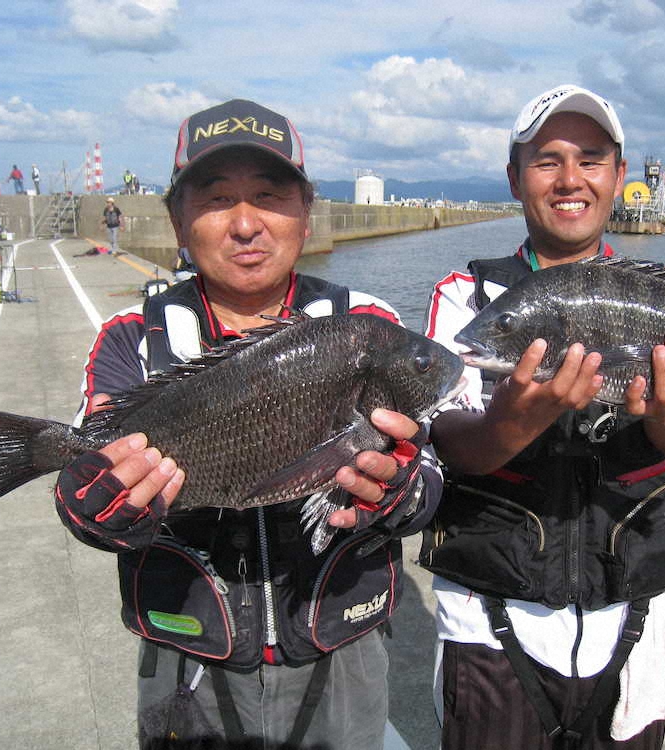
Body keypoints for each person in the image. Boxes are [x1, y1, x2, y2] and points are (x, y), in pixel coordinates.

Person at [54, 98, 443, 748]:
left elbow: (428, 482)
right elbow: (93, 475)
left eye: (268, 196)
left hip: (338, 655)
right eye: (215, 199)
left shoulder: (368, 324)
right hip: (188, 662)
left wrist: (398, 492)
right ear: (178, 222)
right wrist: (95, 507)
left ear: (306, 215)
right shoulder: (133, 339)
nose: (244, 224)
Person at [422, 84, 665, 749]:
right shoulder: (468, 298)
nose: (569, 179)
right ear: (514, 177)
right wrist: (511, 422)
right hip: (493, 620)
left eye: (590, 159)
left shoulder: (657, 299)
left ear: (619, 174)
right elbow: (451, 442)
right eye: (546, 160)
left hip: (636, 617)